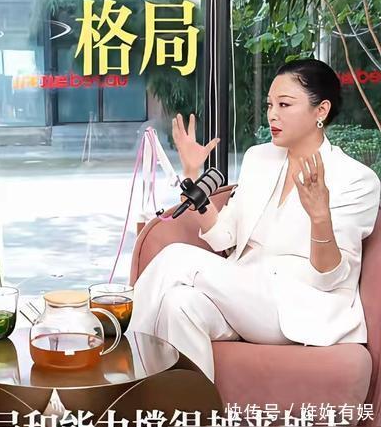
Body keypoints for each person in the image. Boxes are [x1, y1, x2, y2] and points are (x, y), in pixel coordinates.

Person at [128, 58, 381, 382]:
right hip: (244, 293)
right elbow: (223, 237)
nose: (272, 114)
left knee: (176, 257)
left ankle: (123, 375)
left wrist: (320, 217)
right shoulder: (259, 158)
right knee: (178, 305)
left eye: (284, 104)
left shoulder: (356, 179)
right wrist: (192, 176)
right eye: (270, 105)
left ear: (321, 110)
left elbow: (330, 279)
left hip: (300, 305)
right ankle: (190, 407)